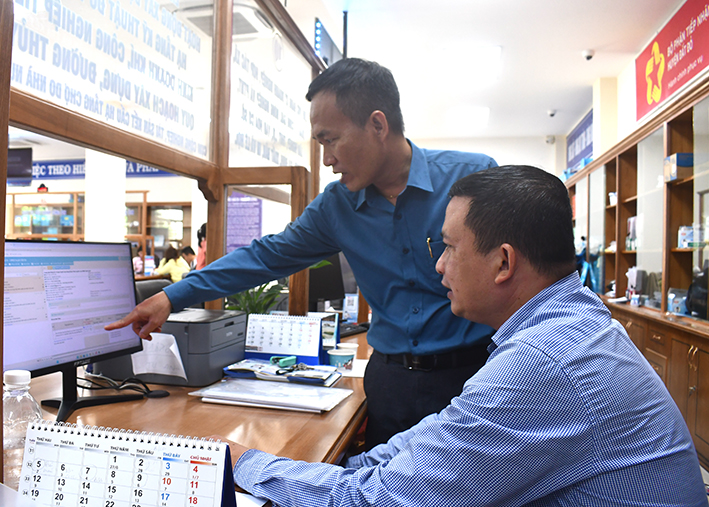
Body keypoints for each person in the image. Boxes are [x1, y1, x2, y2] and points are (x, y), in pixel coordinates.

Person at [223, 166, 709, 507]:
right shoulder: (565, 325)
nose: (439, 266)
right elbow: (431, 439)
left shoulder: (545, 361)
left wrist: (244, 462)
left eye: (450, 248)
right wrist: (330, 471)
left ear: (503, 263)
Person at [106, 58, 497, 451]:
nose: (327, 159)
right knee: (382, 488)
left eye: (331, 139)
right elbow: (265, 257)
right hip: (391, 384)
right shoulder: (337, 206)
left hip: (473, 376)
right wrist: (171, 296)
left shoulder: (472, 179)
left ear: (378, 125)